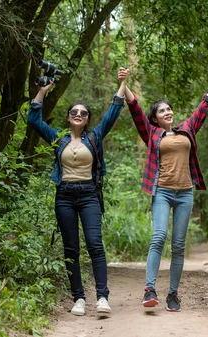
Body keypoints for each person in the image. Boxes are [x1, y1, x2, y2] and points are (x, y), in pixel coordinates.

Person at [27, 67, 129, 316]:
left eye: (83, 113)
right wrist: (42, 90)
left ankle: (102, 298)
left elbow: (113, 111)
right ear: (69, 116)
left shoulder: (94, 137)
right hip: (64, 196)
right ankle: (79, 299)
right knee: (70, 248)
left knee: (95, 244)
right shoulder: (58, 138)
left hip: (88, 195)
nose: (78, 114)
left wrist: (123, 83)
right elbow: (33, 120)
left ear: (87, 118)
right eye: (74, 112)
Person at [122, 68, 208, 312]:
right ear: (155, 118)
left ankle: (173, 294)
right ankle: (149, 289)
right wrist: (124, 84)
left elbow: (203, 107)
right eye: (162, 110)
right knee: (158, 238)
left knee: (178, 245)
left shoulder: (186, 129)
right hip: (163, 192)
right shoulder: (152, 133)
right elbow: (135, 109)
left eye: (169, 108)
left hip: (185, 193)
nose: (167, 112)